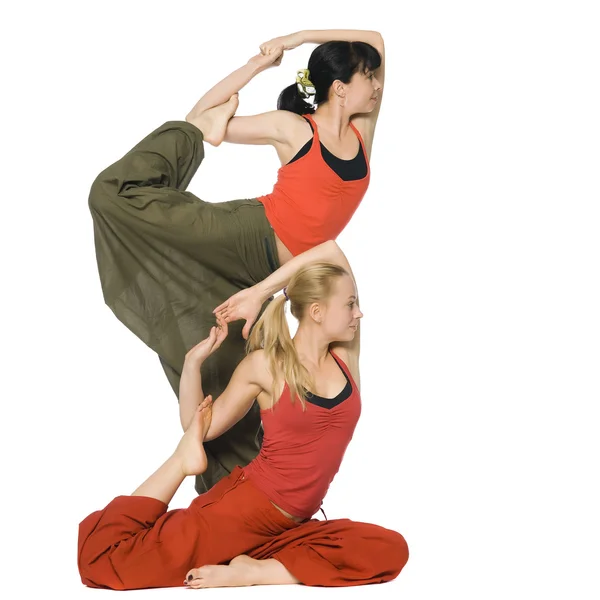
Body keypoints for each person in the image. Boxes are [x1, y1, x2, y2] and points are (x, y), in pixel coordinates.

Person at [88, 29, 385, 492]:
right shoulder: (294, 128)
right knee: (120, 200)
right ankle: (123, 194)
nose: (379, 84)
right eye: (370, 77)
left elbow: (376, 39)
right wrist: (257, 66)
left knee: (228, 381)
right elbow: (200, 117)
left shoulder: (361, 132)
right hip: (246, 234)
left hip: (275, 276)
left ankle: (228, 497)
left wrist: (301, 36)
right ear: (341, 87)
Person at [78, 254, 408, 591]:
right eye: (350, 304)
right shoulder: (265, 366)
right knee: (103, 559)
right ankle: (181, 462)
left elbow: (332, 252)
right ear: (317, 312)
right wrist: (193, 365)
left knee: (390, 548)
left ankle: (258, 571)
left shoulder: (345, 358)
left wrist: (259, 292)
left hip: (293, 529)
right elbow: (199, 428)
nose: (359, 312)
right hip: (240, 514)